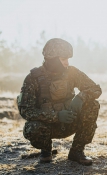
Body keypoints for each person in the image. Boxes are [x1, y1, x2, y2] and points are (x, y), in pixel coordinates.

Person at [17, 38, 102, 166]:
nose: (67, 63)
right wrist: (56, 116)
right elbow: (26, 111)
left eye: (68, 59)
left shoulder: (72, 73)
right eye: (63, 59)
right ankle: (46, 151)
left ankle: (76, 151)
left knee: (92, 105)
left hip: (70, 122)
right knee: (32, 128)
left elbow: (96, 89)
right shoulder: (33, 78)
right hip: (47, 127)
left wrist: (81, 97)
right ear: (53, 59)